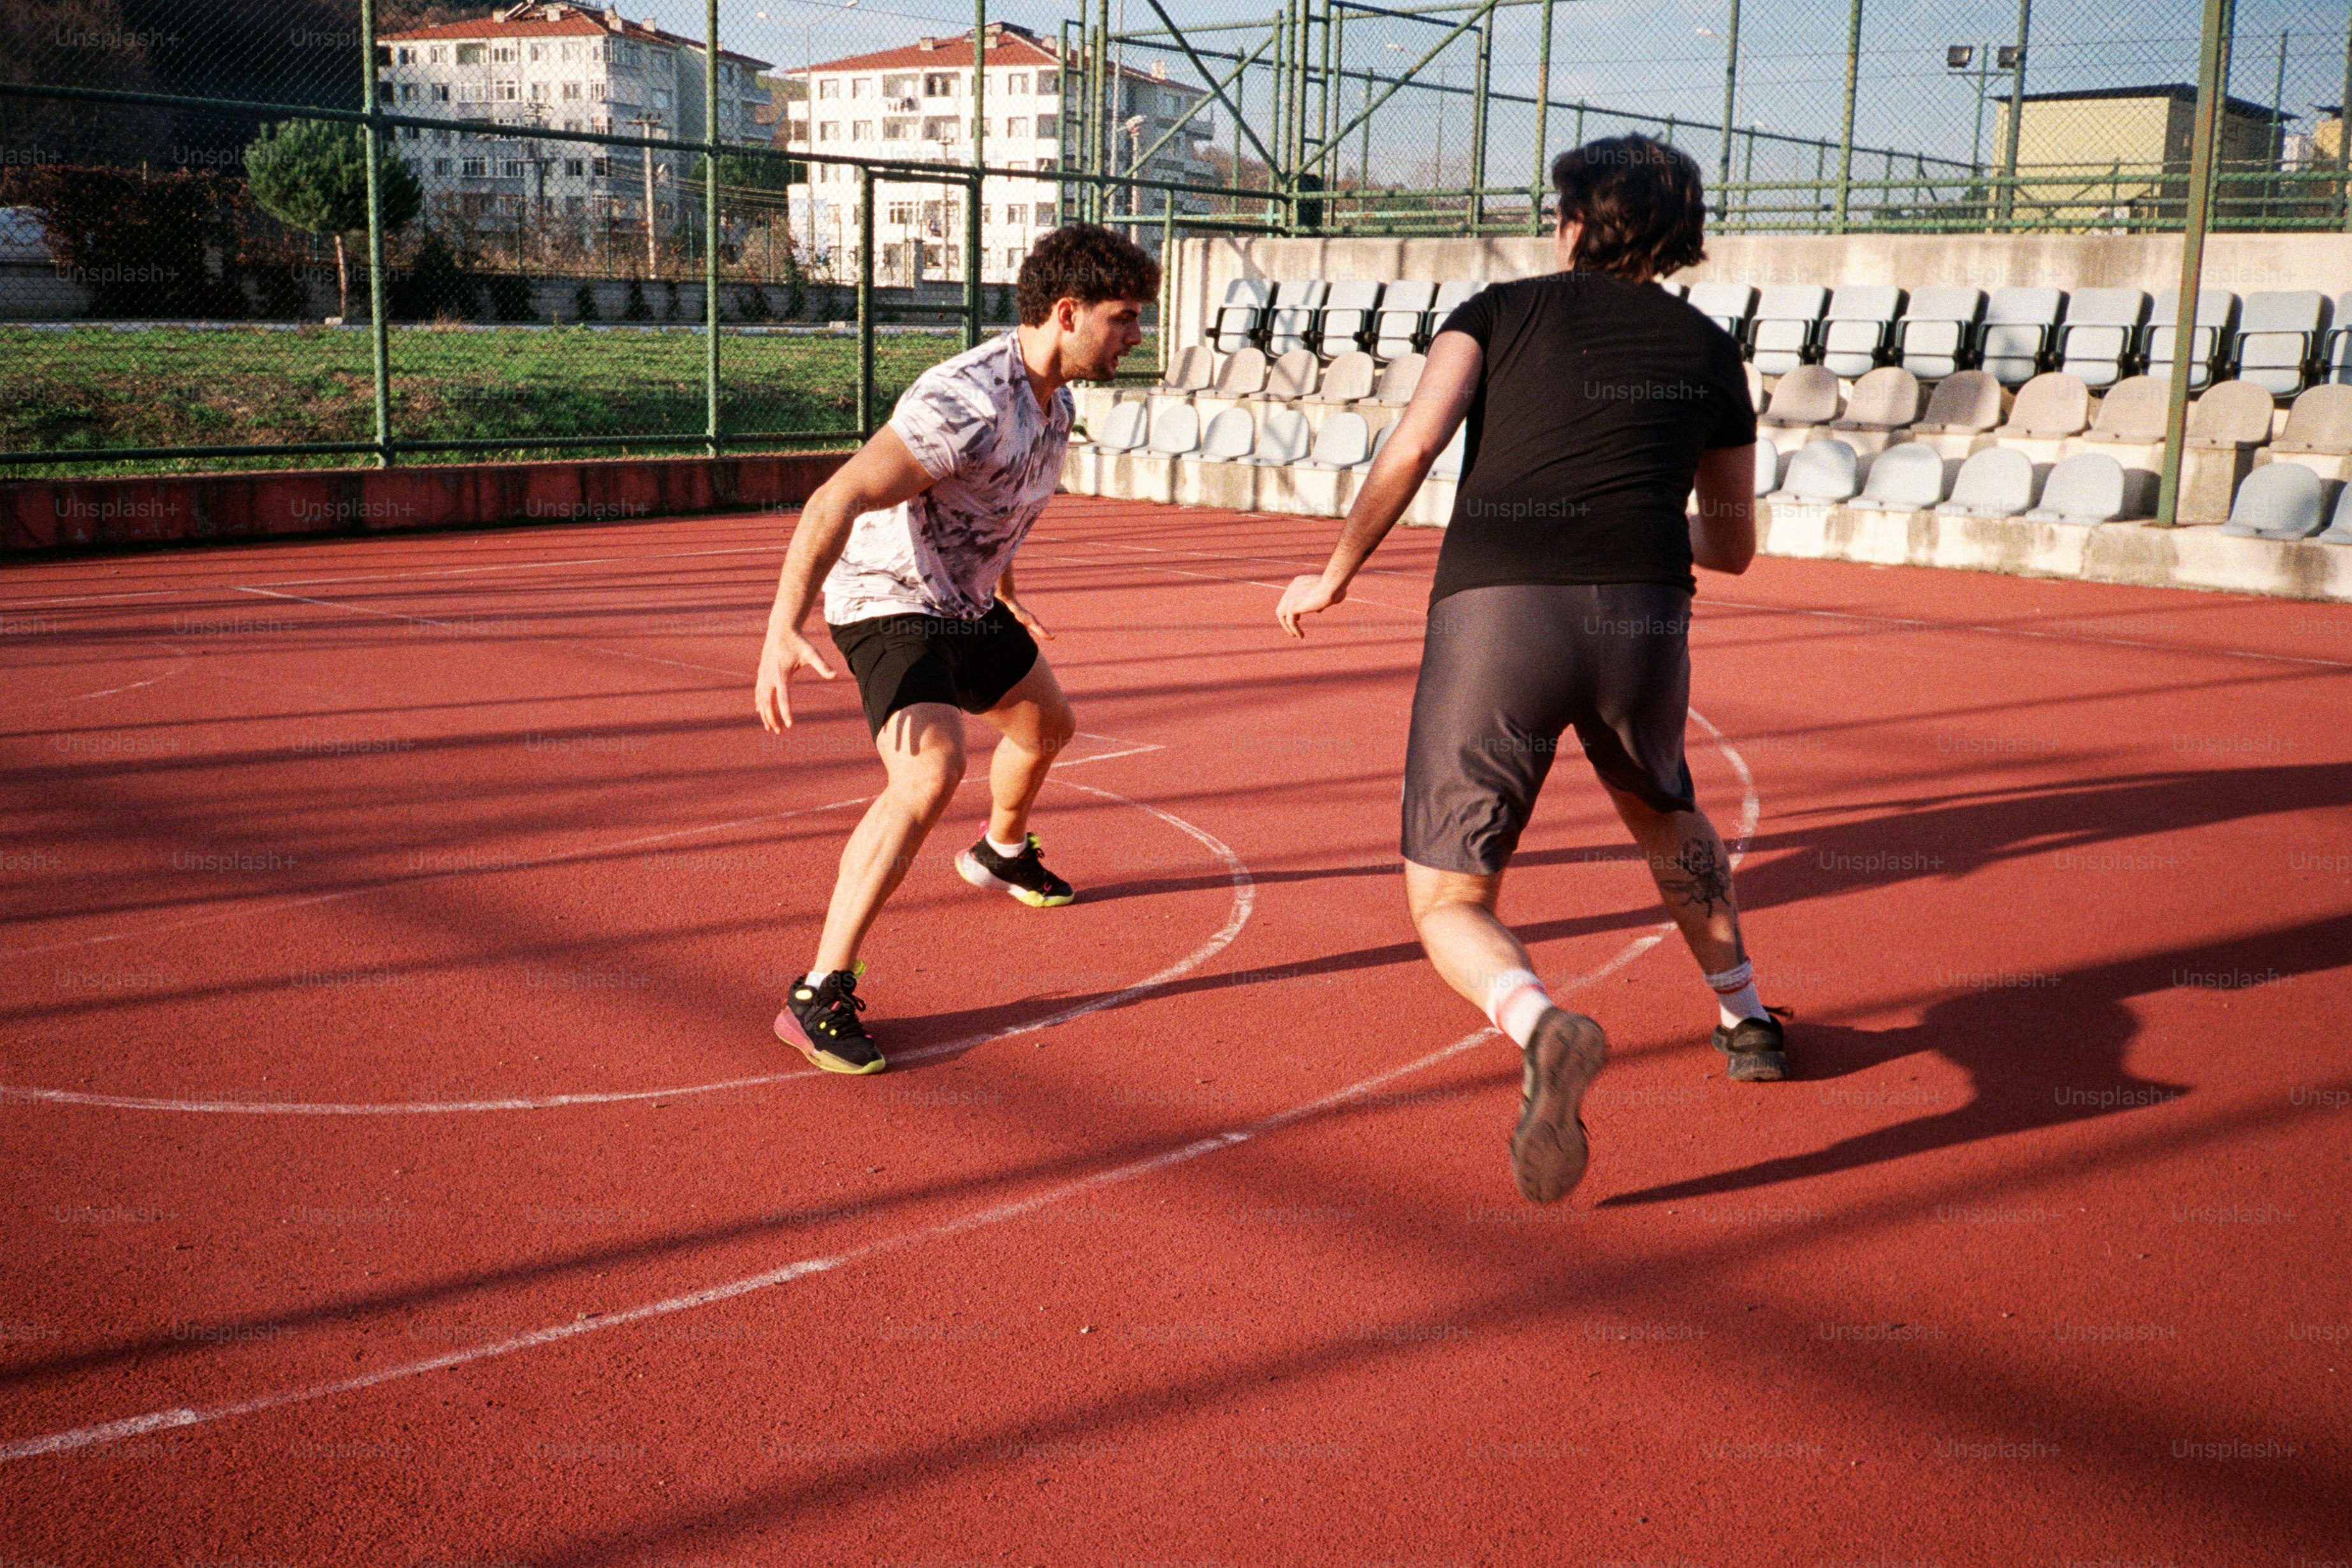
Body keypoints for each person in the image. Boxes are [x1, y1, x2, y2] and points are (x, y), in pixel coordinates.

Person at [1275, 136, 1784, 1203]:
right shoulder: (1708, 350)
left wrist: (1333, 570)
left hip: (1496, 613)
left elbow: (1412, 448)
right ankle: (1745, 1021)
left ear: (1568, 222)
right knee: (1663, 814)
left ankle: (1539, 1020)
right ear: (1679, 237)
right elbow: (1732, 545)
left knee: (1451, 896)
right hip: (1642, 617)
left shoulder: (1497, 310)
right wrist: (1637, 527)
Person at [753, 224, 1159, 1075]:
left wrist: (1006, 594)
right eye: (1123, 319)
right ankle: (817, 990)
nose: (1134, 336)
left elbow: (994, 509)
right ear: (1065, 311)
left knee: (1048, 727)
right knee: (928, 773)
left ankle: (999, 851)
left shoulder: (1057, 403)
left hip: (966, 602)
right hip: (887, 600)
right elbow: (836, 498)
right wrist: (781, 627)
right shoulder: (964, 400)